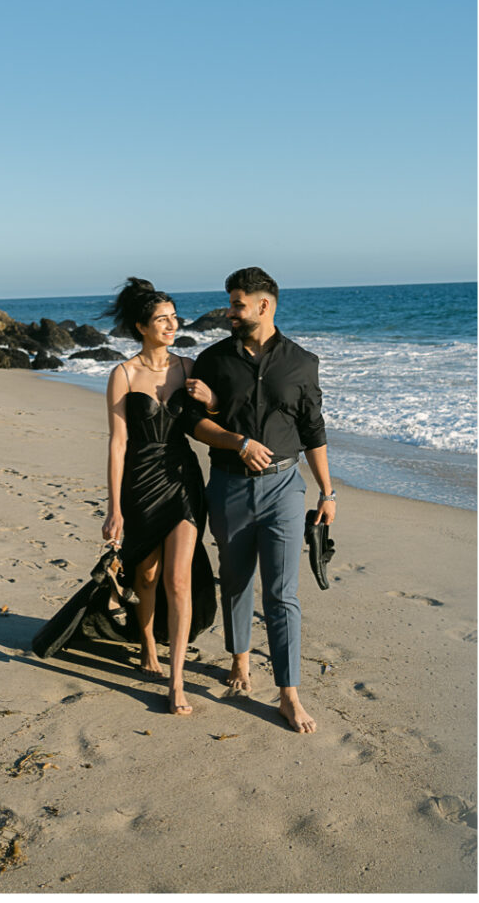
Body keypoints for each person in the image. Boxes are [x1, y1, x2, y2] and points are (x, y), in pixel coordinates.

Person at [185, 266, 336, 734]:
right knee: (234, 580)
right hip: (228, 485)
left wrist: (328, 493)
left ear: (264, 306)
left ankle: (288, 694)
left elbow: (313, 431)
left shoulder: (302, 362)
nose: (230, 312)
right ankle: (240, 659)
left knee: (281, 593)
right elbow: (193, 425)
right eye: (230, 304)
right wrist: (239, 442)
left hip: (285, 489)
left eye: (237, 305)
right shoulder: (212, 361)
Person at [101, 277, 215, 716]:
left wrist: (214, 399)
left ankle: (176, 679)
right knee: (145, 576)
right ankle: (147, 640)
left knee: (178, 579)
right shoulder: (124, 374)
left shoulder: (187, 368)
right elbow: (117, 443)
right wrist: (114, 509)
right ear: (141, 327)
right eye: (161, 319)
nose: (172, 325)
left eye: (174, 317)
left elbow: (214, 413)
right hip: (140, 482)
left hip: (183, 478)